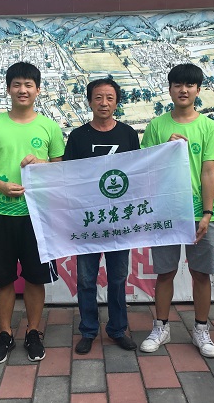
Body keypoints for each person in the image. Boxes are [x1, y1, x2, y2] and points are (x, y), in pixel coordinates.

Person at [0, 62, 65, 364]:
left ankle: (34, 331)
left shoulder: (49, 127)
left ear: (38, 90)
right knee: (3, 279)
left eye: (28, 85)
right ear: (8, 89)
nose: (22, 90)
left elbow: (59, 168)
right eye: (17, 84)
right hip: (0, 214)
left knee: (36, 278)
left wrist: (41, 164)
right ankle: (5, 333)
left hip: (37, 215)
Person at [139, 63, 214, 357]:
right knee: (165, 273)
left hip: (198, 213)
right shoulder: (157, 126)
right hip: (165, 211)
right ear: (170, 89)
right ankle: (161, 326)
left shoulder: (209, 127)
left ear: (198, 90)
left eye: (189, 85)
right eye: (178, 84)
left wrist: (207, 213)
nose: (183, 90)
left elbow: (209, 172)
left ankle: (201, 329)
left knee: (201, 274)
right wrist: (165, 148)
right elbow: (147, 169)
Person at [63, 78, 140, 355]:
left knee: (118, 278)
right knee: (86, 279)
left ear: (117, 102)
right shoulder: (78, 136)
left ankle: (118, 329)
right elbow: (67, 176)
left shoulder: (128, 134)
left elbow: (138, 172)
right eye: (98, 98)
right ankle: (88, 330)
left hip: (119, 221)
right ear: (89, 101)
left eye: (109, 98)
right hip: (88, 221)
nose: (104, 103)